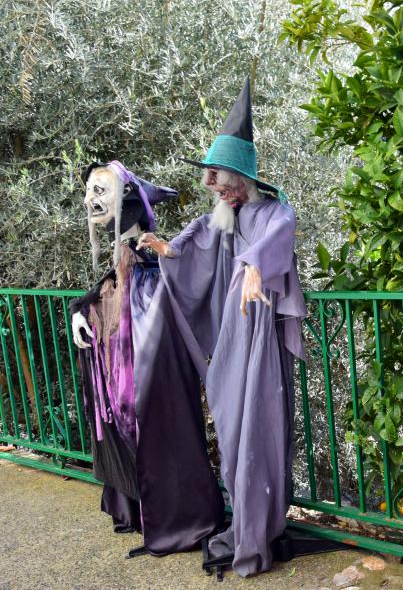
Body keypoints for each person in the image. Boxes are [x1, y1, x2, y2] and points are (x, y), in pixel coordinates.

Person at [138, 77, 307, 577]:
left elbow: (278, 236)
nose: (210, 184)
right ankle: (245, 524)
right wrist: (168, 250)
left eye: (215, 175)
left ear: (238, 177)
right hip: (234, 339)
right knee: (233, 428)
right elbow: (197, 242)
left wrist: (256, 267)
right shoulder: (225, 217)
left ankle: (259, 531)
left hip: (258, 337)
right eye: (209, 176)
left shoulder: (273, 211)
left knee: (258, 428)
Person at [71, 161, 224, 553]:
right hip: (126, 372)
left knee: (160, 423)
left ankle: (178, 517)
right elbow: (107, 289)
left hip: (153, 370)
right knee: (130, 421)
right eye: (88, 191)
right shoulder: (128, 261)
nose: (90, 200)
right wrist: (79, 311)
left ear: (126, 198)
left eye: (99, 190)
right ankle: (139, 509)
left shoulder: (153, 265)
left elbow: (170, 292)